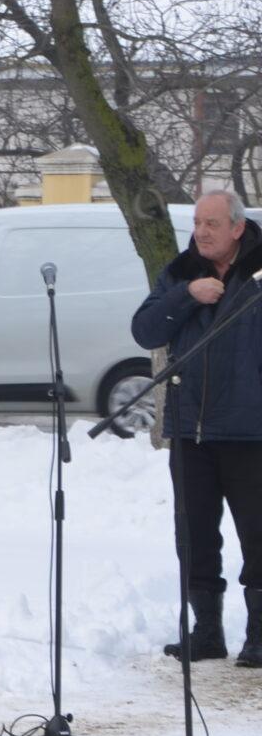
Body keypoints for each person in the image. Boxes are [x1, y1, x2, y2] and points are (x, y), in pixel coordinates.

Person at [132, 189, 262, 665]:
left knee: (258, 535)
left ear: (237, 229)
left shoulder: (258, 275)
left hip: (251, 432)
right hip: (192, 431)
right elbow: (146, 331)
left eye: (212, 224)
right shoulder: (181, 273)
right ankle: (206, 631)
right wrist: (186, 296)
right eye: (197, 223)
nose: (202, 232)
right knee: (194, 535)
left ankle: (259, 635)